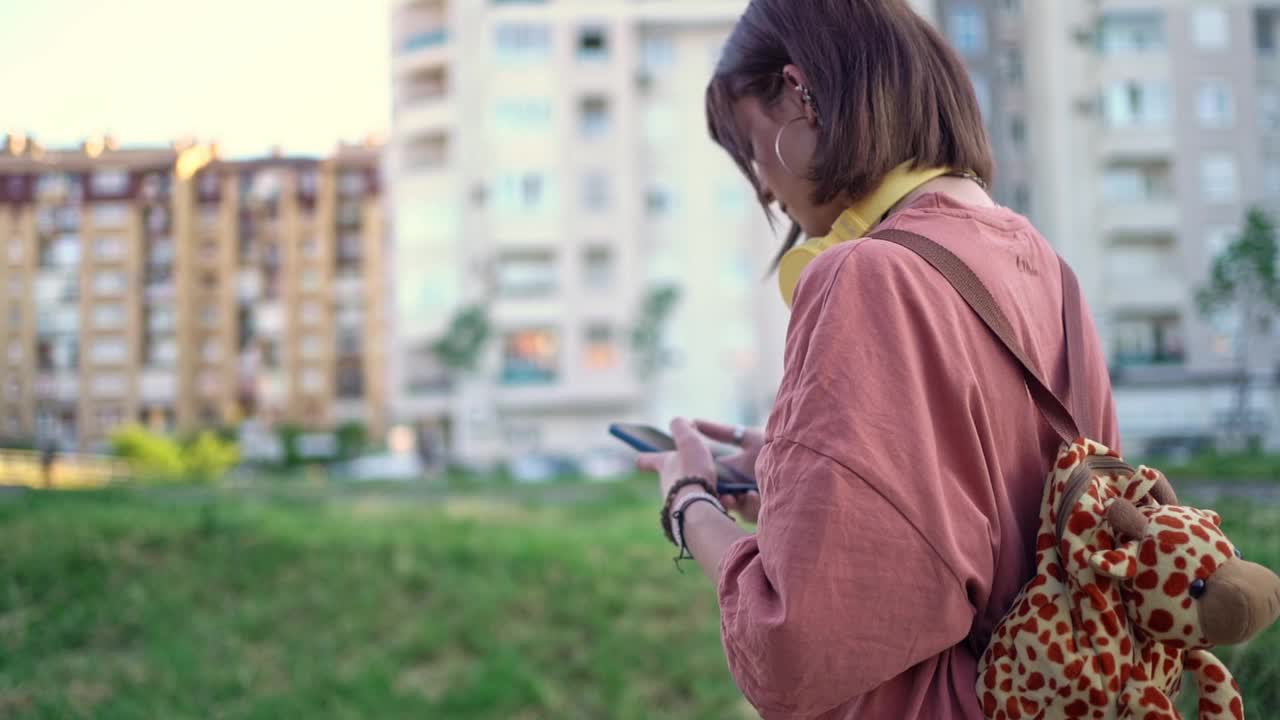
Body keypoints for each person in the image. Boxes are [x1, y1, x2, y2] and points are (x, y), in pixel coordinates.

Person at [634, 2, 1119, 718]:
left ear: (800, 94)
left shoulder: (864, 275)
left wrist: (690, 504)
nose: (766, 188)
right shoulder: (1045, 267)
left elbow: (794, 648)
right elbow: (1003, 514)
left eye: (751, 147)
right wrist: (801, 475)